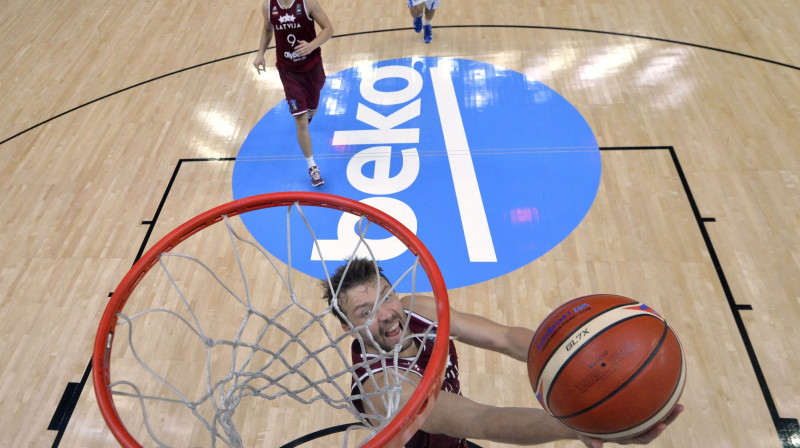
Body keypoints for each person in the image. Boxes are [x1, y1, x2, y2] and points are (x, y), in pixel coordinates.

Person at [321, 257, 683, 448]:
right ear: (347, 327)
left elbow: (506, 338)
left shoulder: (418, 309)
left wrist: (577, 350)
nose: (386, 314)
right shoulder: (382, 388)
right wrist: (582, 425)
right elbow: (481, 420)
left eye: (386, 295)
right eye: (365, 312)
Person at [253, 0, 333, 187]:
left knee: (312, 107)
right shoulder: (268, 6)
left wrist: (311, 46)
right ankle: (312, 166)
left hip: (312, 67)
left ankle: (308, 113)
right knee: (300, 120)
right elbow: (267, 29)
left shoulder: (308, 3)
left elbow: (329, 29)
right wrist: (260, 54)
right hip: (288, 71)